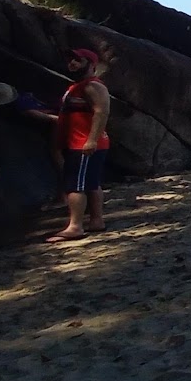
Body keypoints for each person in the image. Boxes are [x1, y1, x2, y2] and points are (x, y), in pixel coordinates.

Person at [48, 47, 110, 242]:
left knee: (75, 185)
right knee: (91, 183)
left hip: (84, 144)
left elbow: (101, 112)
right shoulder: (78, 86)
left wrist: (91, 139)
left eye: (78, 60)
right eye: (70, 60)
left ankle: (75, 226)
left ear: (91, 64)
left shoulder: (93, 86)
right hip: (78, 142)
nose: (72, 63)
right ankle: (96, 221)